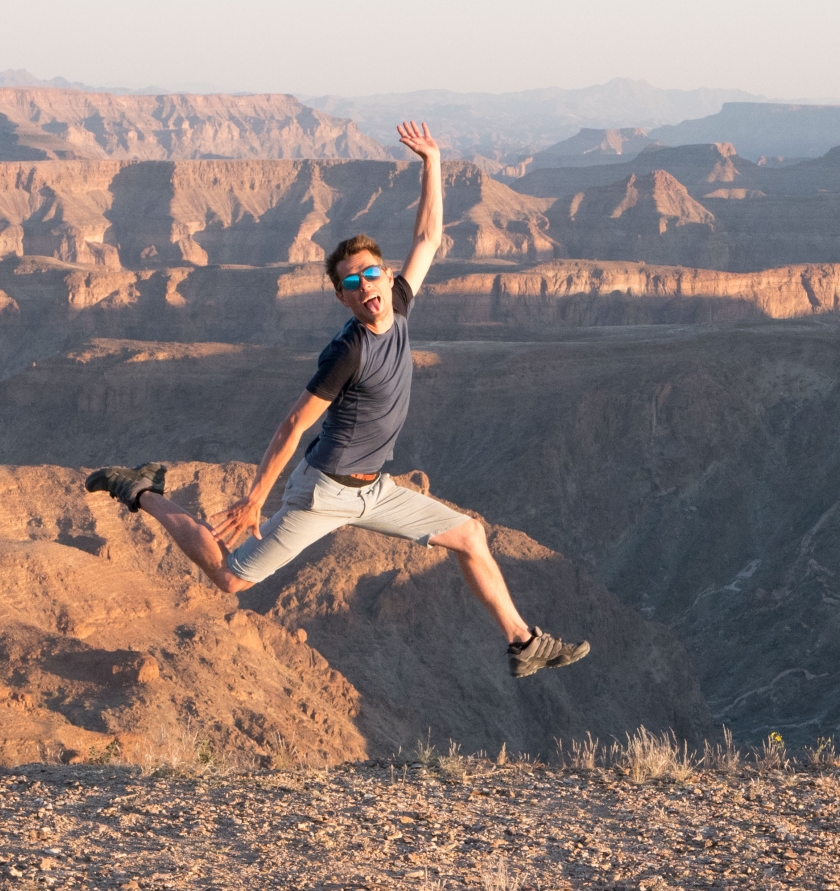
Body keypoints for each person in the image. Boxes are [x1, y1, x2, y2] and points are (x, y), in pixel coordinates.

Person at [86, 121, 590, 679]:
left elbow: (428, 238)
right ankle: (143, 492)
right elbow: (292, 427)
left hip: (374, 490)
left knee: (470, 535)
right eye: (353, 283)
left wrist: (433, 163)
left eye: (372, 274)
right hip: (323, 494)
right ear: (342, 296)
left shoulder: (398, 303)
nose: (367, 287)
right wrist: (256, 499)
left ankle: (524, 644)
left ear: (386, 277)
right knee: (230, 577)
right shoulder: (346, 352)